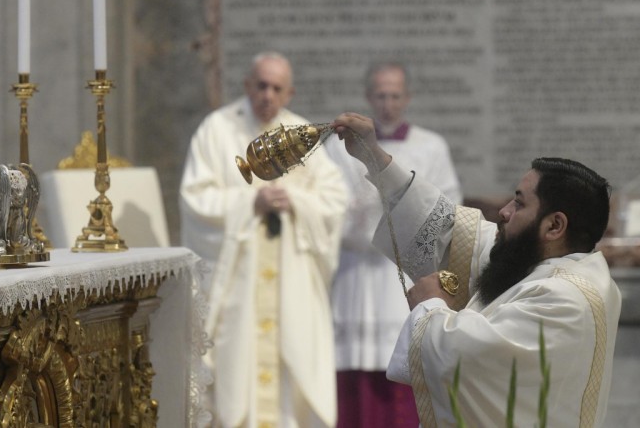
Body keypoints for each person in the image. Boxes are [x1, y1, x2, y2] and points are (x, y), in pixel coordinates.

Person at [331, 112, 621, 427]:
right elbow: (445, 230)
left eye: (520, 204)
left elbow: (466, 359)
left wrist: (430, 307)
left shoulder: (567, 297)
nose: (504, 212)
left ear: (554, 226)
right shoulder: (534, 262)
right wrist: (373, 156)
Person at [180, 52, 347, 427]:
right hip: (239, 278)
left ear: (290, 93)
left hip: (292, 276)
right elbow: (195, 198)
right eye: (261, 85)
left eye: (276, 88)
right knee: (236, 362)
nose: (268, 95)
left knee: (294, 356)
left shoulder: (301, 133)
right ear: (246, 86)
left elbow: (335, 200)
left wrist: (296, 201)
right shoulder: (216, 130)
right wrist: (249, 202)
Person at [324, 63, 461, 427]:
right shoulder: (338, 149)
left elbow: (446, 210)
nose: (388, 104)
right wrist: (363, 210)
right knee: (353, 379)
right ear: (369, 97)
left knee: (405, 367)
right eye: (381, 95)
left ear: (407, 97)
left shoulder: (430, 146)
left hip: (405, 273)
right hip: (355, 273)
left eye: (395, 95)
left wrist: (401, 211)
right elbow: (326, 206)